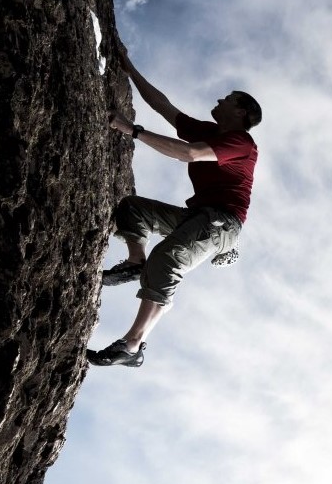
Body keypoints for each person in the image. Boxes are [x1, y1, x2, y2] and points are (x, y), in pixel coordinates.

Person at [87, 49, 261, 368]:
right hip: (198, 216)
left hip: (222, 221)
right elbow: (162, 106)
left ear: (241, 112)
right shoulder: (209, 131)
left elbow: (190, 154)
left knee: (167, 259)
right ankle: (135, 262)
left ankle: (132, 344)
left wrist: (132, 131)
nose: (220, 99)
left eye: (229, 98)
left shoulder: (240, 142)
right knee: (132, 208)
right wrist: (130, 68)